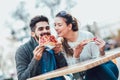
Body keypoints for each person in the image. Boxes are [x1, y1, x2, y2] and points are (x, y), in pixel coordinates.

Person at [54, 11, 119, 80]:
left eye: (59, 25)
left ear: (69, 26)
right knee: (92, 69)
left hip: (106, 67)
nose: (56, 28)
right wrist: (76, 56)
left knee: (95, 66)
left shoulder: (87, 35)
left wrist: (101, 51)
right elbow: (75, 74)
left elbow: (99, 61)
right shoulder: (60, 46)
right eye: (54, 25)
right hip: (87, 75)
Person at [15, 15, 67, 80]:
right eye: (40, 29)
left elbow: (65, 69)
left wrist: (58, 53)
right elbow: (22, 78)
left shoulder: (55, 44)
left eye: (47, 28)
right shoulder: (22, 51)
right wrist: (35, 60)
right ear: (33, 34)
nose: (45, 31)